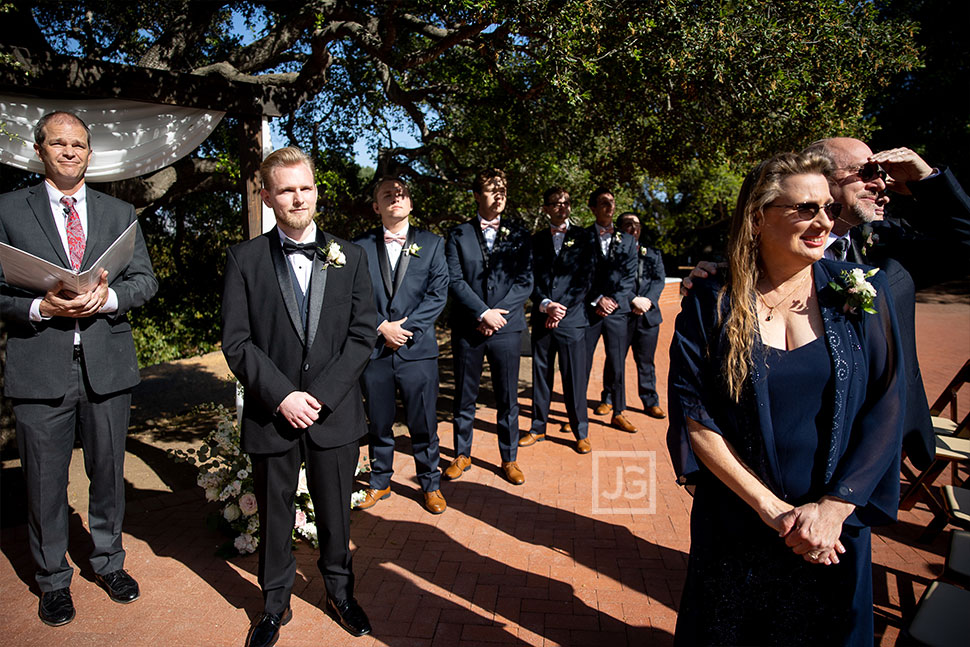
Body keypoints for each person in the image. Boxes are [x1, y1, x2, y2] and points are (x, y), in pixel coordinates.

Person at [667, 151, 903, 646]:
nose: (823, 221)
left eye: (827, 208)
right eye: (804, 209)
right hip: (740, 525)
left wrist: (834, 510)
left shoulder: (858, 294)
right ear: (757, 218)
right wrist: (772, 510)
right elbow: (696, 417)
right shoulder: (713, 305)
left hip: (832, 537)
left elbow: (887, 404)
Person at [0, 111, 157, 626]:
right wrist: (40, 308)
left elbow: (145, 282)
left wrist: (110, 298)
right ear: (39, 150)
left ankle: (109, 562)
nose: (69, 152)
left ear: (90, 152)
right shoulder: (6, 210)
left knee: (108, 473)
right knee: (44, 482)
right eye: (58, 143)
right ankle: (51, 581)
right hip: (39, 364)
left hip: (106, 366)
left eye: (79, 144)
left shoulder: (119, 212)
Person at [222, 147, 377, 646]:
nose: (297, 197)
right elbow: (237, 342)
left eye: (305, 187)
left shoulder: (351, 256)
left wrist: (322, 396)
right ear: (266, 196)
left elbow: (362, 334)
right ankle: (273, 605)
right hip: (274, 415)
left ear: (317, 190)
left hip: (334, 414)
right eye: (286, 189)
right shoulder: (243, 259)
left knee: (337, 512)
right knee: (274, 514)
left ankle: (340, 592)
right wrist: (283, 396)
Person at [803, 138, 970, 469]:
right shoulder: (776, 247)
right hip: (801, 434)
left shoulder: (886, 244)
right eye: (866, 172)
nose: (880, 184)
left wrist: (927, 181)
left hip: (875, 442)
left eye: (881, 174)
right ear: (820, 178)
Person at [353, 176, 449, 514]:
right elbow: (355, 296)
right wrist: (381, 326)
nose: (396, 197)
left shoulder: (433, 244)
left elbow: (438, 295)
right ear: (376, 206)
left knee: (423, 422)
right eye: (387, 194)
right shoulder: (359, 247)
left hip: (417, 350)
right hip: (375, 352)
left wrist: (403, 330)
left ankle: (430, 484)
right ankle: (380, 481)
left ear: (410, 203)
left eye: (402, 193)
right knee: (378, 422)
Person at [444, 168, 533, 485]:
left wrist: (498, 314)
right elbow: (454, 280)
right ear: (476, 195)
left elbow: (525, 282)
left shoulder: (520, 235)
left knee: (508, 398)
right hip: (469, 328)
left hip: (507, 329)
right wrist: (482, 313)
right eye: (493, 189)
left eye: (504, 190)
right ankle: (461, 454)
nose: (500, 195)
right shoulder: (457, 235)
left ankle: (509, 459)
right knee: (464, 396)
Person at [519, 187, 597, 453]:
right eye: (555, 203)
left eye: (566, 202)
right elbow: (530, 278)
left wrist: (561, 308)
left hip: (572, 320)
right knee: (541, 376)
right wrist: (545, 304)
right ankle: (537, 427)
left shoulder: (584, 237)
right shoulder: (535, 239)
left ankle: (580, 431)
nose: (562, 207)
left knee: (574, 378)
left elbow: (585, 279)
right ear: (545, 209)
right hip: (542, 318)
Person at [585, 188, 638, 432]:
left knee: (617, 363)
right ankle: (576, 417)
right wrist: (597, 299)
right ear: (593, 208)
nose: (609, 206)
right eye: (603, 202)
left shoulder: (627, 240)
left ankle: (619, 412)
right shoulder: (581, 238)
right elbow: (577, 275)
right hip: (588, 311)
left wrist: (613, 300)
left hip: (617, 312)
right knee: (581, 364)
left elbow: (629, 277)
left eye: (612, 202)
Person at [616, 212, 666, 420]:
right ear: (620, 229)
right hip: (623, 316)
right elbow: (613, 281)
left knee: (646, 362)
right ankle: (609, 399)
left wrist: (646, 301)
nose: (633, 228)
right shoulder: (614, 254)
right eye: (628, 224)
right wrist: (632, 300)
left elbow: (659, 280)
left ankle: (650, 401)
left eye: (636, 224)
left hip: (648, 317)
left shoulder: (652, 253)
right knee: (615, 361)